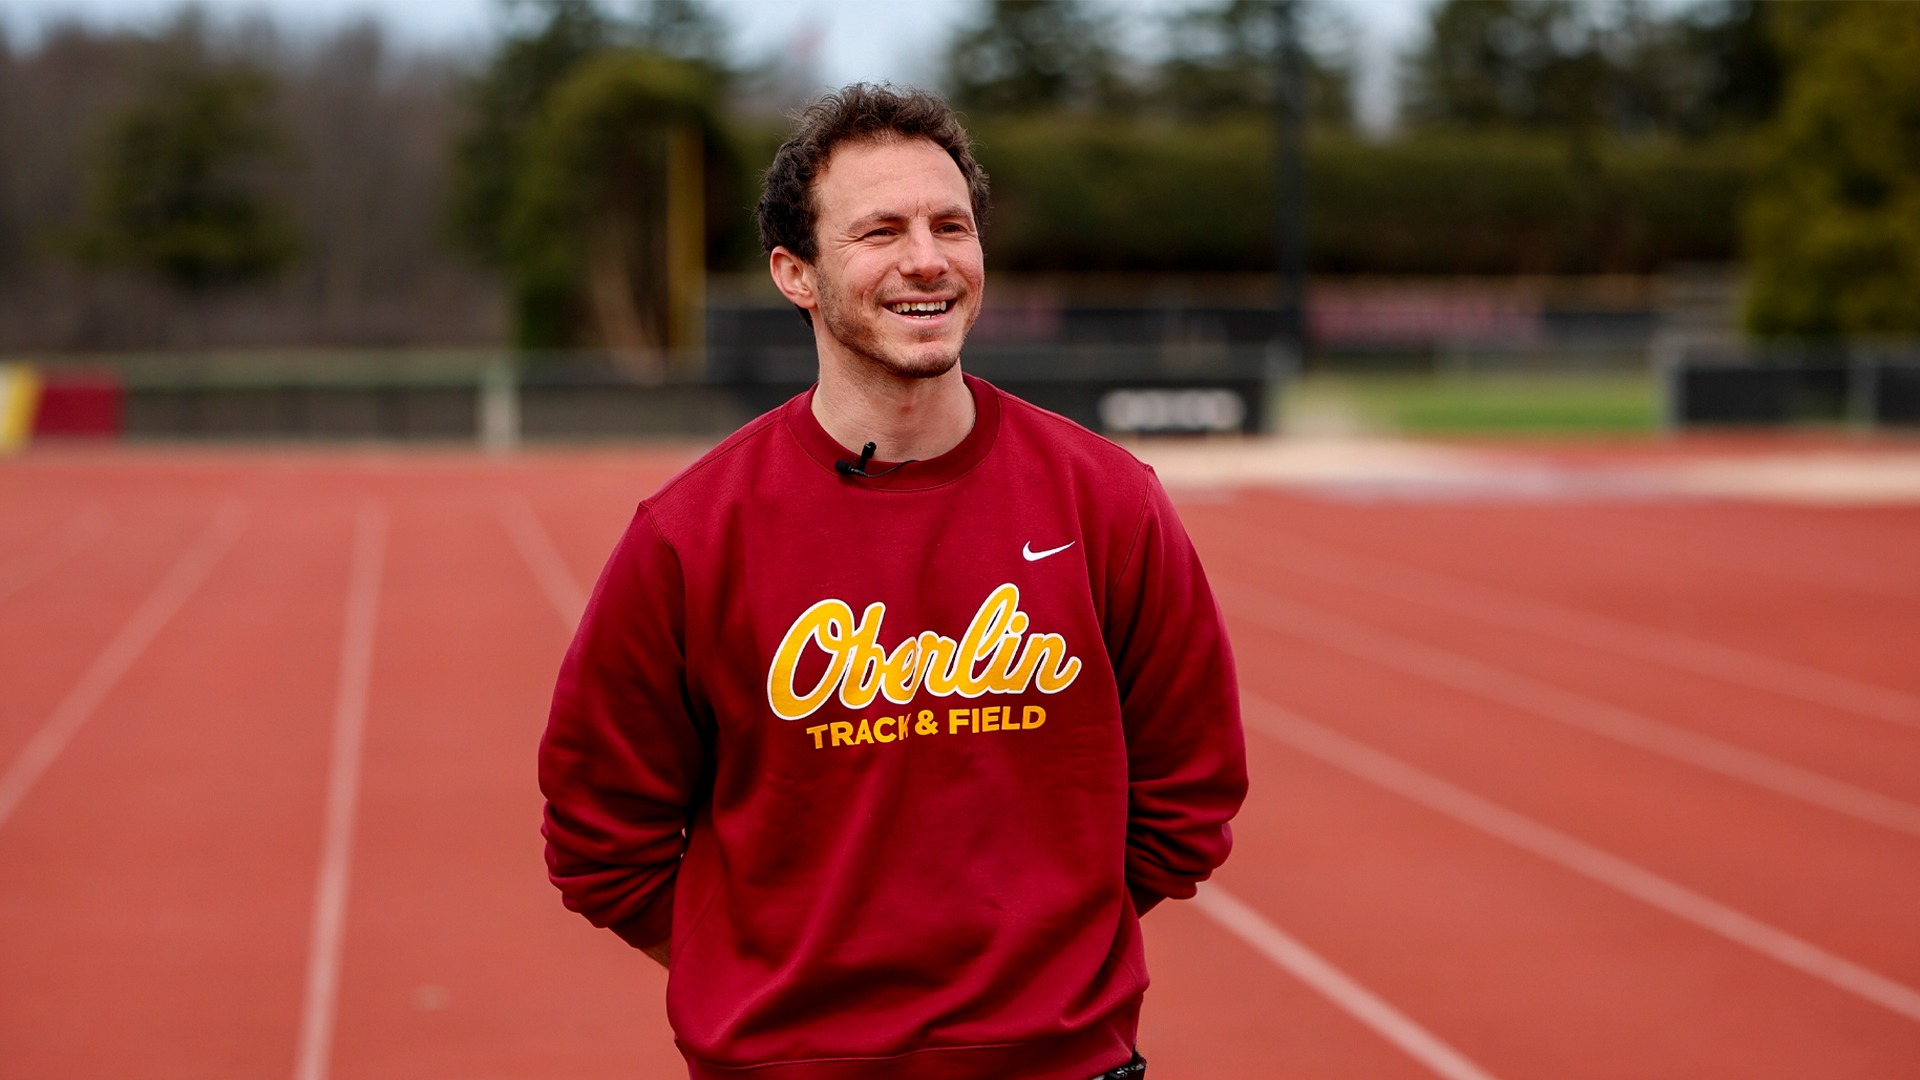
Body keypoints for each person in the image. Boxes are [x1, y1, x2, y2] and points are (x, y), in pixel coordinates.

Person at [538, 83, 1247, 1080]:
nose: (928, 259)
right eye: (880, 231)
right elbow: (601, 835)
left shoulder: (1107, 503)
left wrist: (1041, 955)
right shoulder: (691, 535)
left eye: (950, 225)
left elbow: (1189, 790)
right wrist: (760, 971)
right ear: (796, 272)